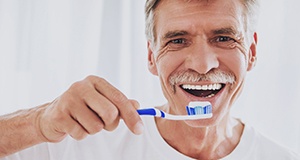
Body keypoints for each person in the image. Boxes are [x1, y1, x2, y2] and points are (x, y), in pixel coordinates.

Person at [1, 0, 299, 159]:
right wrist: (38, 122)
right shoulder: (82, 143)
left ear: (252, 51)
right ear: (151, 56)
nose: (202, 64)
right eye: (178, 40)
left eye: (223, 38)